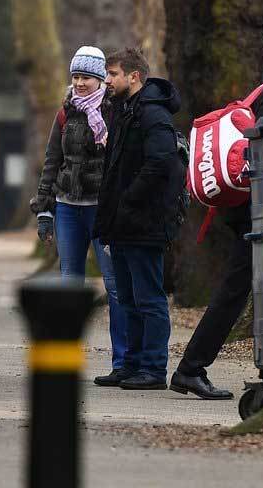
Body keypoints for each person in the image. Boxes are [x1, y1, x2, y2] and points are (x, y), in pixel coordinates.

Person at [170, 44, 263, 400]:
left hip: (241, 208)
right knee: (233, 293)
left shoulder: (261, 91)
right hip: (255, 211)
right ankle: (191, 368)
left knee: (251, 288)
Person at [29, 46, 127, 381]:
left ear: (100, 79)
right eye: (75, 77)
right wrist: (44, 209)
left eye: (86, 77)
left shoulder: (116, 112)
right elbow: (52, 161)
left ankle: (122, 362)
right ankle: (65, 360)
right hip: (68, 208)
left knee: (114, 286)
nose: (80, 83)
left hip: (101, 211)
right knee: (68, 285)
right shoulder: (65, 112)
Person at [93, 47, 183, 390]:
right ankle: (130, 365)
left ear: (134, 76)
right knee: (128, 298)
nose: (107, 81)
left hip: (145, 222)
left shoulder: (153, 114)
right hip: (124, 223)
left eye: (113, 74)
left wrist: (129, 200)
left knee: (148, 298)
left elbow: (161, 164)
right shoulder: (122, 110)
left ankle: (153, 369)